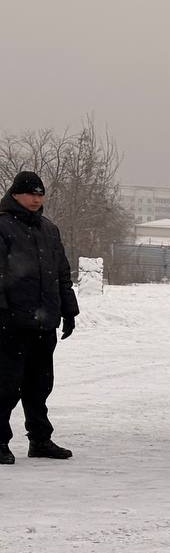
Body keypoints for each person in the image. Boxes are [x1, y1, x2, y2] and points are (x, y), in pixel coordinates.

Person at [0, 171, 78, 464]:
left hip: (44, 323)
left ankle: (40, 439)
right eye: (31, 194)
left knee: (40, 385)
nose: (36, 199)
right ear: (15, 195)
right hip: (12, 323)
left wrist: (69, 310)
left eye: (40, 194)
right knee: (6, 385)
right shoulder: (3, 227)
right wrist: (3, 313)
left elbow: (61, 275)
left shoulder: (49, 229)